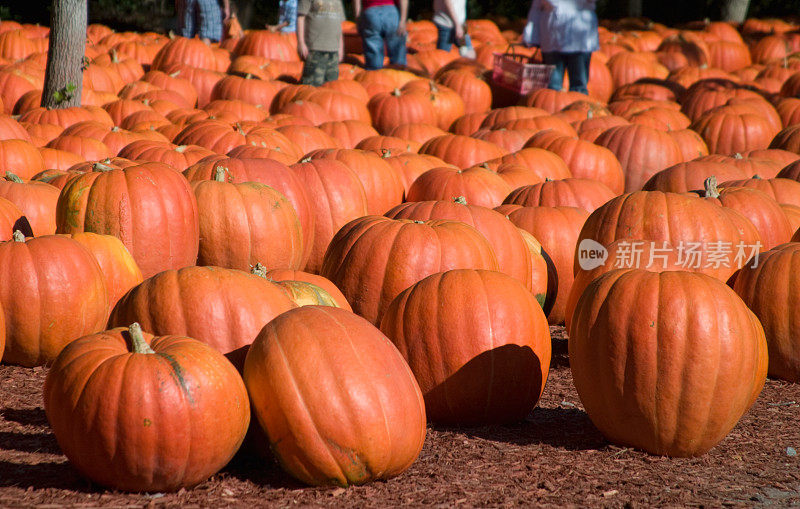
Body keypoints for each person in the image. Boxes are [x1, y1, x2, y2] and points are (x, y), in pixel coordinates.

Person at [522, 0, 599, 95]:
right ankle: (551, 108)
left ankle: (579, 107)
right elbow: (537, 8)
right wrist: (531, 35)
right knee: (552, 86)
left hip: (579, 36)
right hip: (551, 36)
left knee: (578, 86)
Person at [297, 0, 345, 86]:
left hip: (333, 49)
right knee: (312, 85)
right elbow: (301, 18)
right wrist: (301, 43)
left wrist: (340, 48)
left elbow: (339, 24)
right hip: (315, 48)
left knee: (331, 85)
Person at [354, 0, 408, 70]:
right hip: (391, 12)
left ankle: (373, 74)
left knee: (373, 53)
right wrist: (403, 20)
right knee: (397, 53)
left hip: (370, 13)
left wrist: (358, 20)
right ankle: (400, 75)